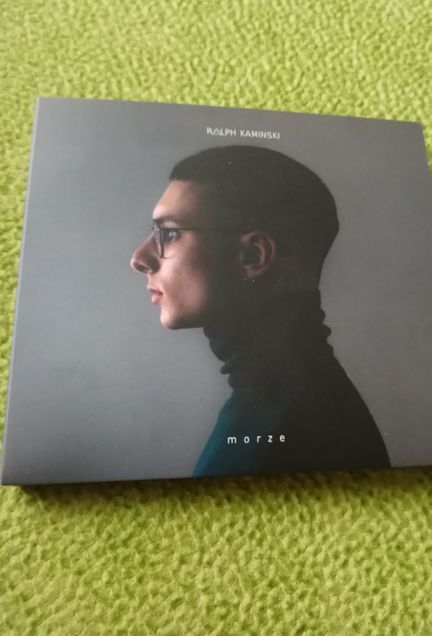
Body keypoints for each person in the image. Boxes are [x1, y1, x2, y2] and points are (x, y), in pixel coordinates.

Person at [130, 145, 390, 476]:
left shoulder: (274, 431)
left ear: (254, 255)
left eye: (169, 233)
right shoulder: (314, 399)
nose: (139, 258)